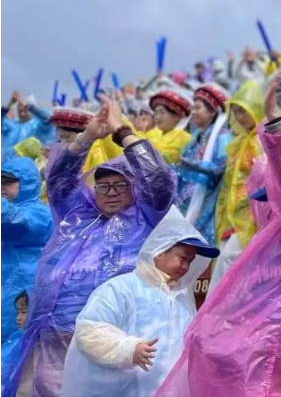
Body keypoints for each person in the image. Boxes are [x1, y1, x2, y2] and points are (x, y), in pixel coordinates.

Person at [156, 78, 281, 397]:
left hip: (279, 350)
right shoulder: (269, 239)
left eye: (270, 193)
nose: (264, 202)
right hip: (266, 350)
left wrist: (276, 125)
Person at [3, 99, 175, 397]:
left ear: (135, 189)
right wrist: (86, 138)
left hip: (109, 337)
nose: (109, 192)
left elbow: (158, 178)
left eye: (120, 185)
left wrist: (122, 132)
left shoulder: (146, 218)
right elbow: (58, 180)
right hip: (56, 333)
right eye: (103, 185)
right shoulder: (79, 215)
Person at [61, 207, 218, 397]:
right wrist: (129, 349)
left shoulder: (182, 300)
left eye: (191, 261)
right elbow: (89, 331)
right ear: (159, 252)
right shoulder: (122, 288)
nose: (186, 267)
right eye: (183, 258)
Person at [209, 81, 264, 289]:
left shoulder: (260, 141)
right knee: (225, 260)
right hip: (234, 214)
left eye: (244, 111)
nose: (240, 117)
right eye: (237, 112)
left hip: (251, 214)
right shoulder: (239, 142)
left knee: (231, 260)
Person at [1, 158, 52, 343]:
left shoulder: (41, 212)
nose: (2, 187)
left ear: (27, 184)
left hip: (23, 289)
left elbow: (15, 223)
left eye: (8, 183)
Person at [175, 83, 231, 245]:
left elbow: (222, 170)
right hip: (186, 201)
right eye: (192, 108)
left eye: (197, 108)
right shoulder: (195, 138)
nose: (192, 112)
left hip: (208, 202)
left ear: (212, 111)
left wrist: (194, 166)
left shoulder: (222, 137)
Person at [144, 90, 193, 164]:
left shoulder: (185, 137)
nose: (157, 117)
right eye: (156, 113)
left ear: (177, 116)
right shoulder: (151, 133)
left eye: (162, 112)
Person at [0, 289, 31, 389]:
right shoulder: (17, 337)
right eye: (17, 312)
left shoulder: (38, 343)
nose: (18, 317)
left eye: (24, 311)